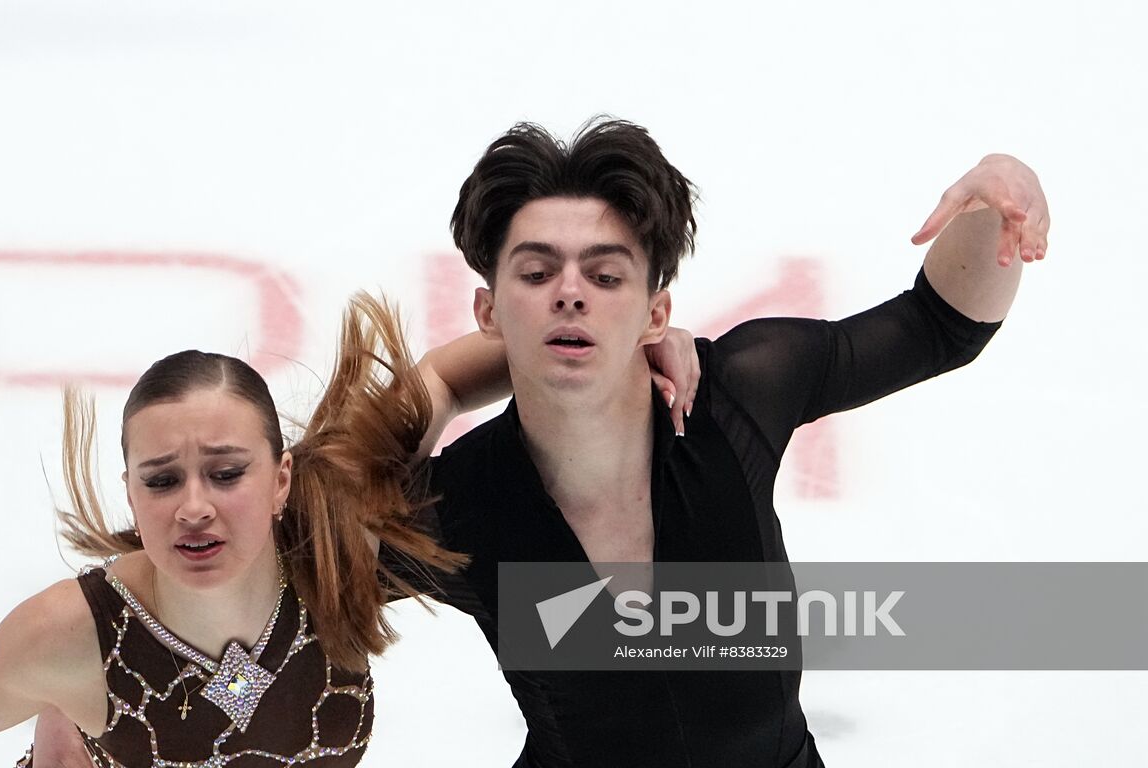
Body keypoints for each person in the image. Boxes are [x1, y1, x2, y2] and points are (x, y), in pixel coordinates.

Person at [379, 118, 1048, 767]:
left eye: (607, 277)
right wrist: (440, 380)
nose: (571, 295)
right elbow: (314, 528)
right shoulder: (462, 504)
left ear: (656, 313)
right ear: (486, 311)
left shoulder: (737, 398)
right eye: (535, 275)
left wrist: (1002, 189)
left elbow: (940, 326)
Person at [0, 293, 702, 768]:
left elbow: (448, 377)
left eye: (226, 472)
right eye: (161, 480)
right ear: (130, 490)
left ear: (279, 481)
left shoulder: (335, 537)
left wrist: (631, 344)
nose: (192, 505)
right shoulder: (72, 634)